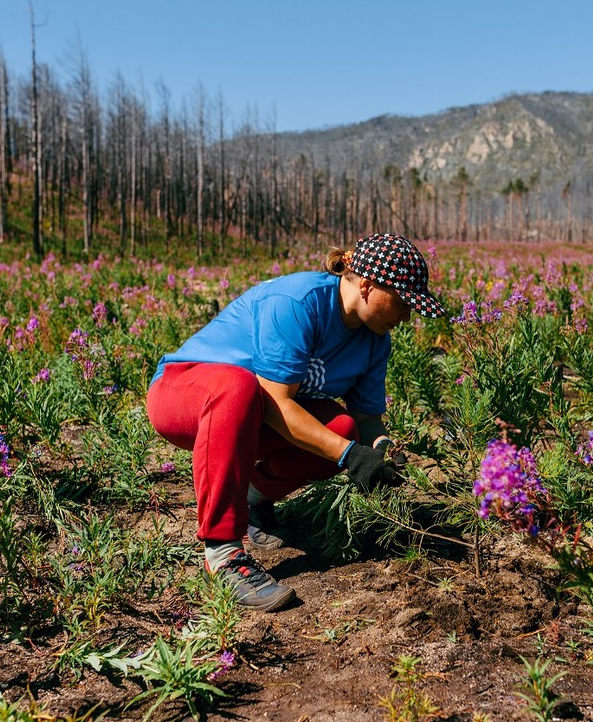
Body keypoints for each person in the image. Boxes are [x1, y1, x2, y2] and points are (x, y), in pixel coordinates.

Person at [146, 233, 445, 612]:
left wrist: (382, 448)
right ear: (367, 287)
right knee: (238, 385)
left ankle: (255, 500)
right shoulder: (297, 303)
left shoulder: (374, 339)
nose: (406, 317)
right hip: (184, 394)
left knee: (341, 430)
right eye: (402, 303)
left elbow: (367, 416)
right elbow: (277, 405)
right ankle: (222, 553)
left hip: (250, 415)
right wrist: (352, 457)